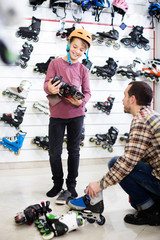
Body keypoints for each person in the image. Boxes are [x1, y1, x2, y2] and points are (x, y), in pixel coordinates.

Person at [69, 81, 160, 225]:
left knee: (115, 163)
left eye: (125, 95)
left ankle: (150, 211)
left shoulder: (141, 121)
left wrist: (100, 184)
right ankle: (153, 203)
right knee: (121, 164)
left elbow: (127, 163)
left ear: (132, 99)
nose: (122, 100)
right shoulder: (152, 114)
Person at [43, 28, 92, 202]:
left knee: (74, 151)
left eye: (82, 49)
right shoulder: (55, 63)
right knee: (54, 152)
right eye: (75, 46)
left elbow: (87, 92)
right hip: (57, 114)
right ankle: (57, 184)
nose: (77, 51)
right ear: (68, 44)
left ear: (85, 52)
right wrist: (50, 87)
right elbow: (46, 84)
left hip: (76, 115)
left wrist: (81, 102)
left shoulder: (83, 70)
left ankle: (71, 185)